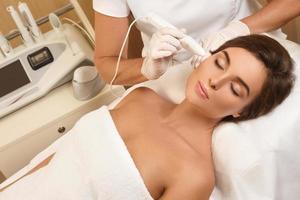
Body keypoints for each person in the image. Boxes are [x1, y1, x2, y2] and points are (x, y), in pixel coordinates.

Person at [0, 35, 295, 199]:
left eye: (235, 87)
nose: (217, 80)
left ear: (242, 111)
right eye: (220, 62)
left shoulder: (194, 176)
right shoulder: (141, 99)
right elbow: (56, 158)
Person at [93, 0, 300, 86]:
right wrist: (148, 68)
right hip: (175, 76)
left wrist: (240, 28)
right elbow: (106, 64)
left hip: (253, 48)